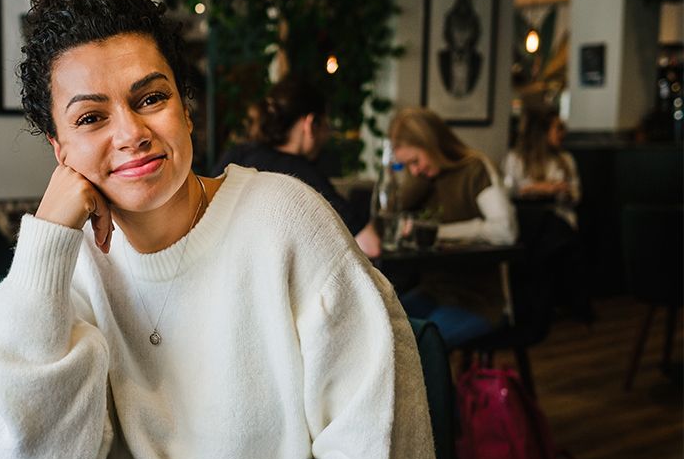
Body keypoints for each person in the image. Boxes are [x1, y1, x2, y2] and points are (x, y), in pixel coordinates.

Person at [0, 0, 434, 459]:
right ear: (60, 149)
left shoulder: (288, 223)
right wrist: (49, 233)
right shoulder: (75, 266)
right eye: (91, 118)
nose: (131, 133)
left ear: (185, 112)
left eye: (151, 99)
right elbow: (35, 454)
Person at [387, 106, 519, 348]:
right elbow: (392, 223)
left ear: (432, 143)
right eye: (408, 165)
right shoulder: (424, 179)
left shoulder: (475, 169)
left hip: (479, 299)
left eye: (415, 161)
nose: (414, 170)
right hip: (435, 291)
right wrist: (410, 182)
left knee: (420, 345)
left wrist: (440, 233)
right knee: (382, 328)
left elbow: (505, 230)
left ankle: (439, 387)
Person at [217, 75, 385, 257]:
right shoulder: (302, 174)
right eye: (325, 124)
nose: (327, 133)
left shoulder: (236, 156)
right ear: (310, 124)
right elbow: (370, 246)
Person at [505, 106, 592, 323]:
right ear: (541, 132)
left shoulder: (566, 159)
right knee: (546, 234)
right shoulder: (516, 159)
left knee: (554, 232)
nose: (562, 133)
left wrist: (557, 190)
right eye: (558, 128)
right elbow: (510, 192)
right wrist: (543, 188)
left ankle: (547, 305)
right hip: (528, 223)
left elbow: (575, 196)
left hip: (559, 220)